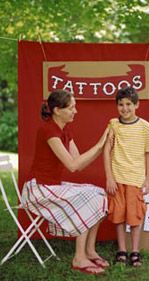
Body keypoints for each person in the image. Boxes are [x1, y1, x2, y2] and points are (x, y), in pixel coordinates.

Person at [21, 89, 109, 275]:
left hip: (51, 186)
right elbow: (72, 165)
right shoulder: (48, 130)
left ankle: (89, 250)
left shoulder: (64, 130)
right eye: (71, 108)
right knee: (87, 197)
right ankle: (79, 258)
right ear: (57, 110)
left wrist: (101, 148)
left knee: (99, 193)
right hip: (38, 189)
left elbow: (79, 163)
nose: (75, 111)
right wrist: (100, 144)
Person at [104, 87, 149, 267]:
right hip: (117, 178)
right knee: (118, 215)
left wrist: (148, 180)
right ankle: (122, 250)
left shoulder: (145, 127)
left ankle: (135, 251)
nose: (124, 108)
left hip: (135, 179)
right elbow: (106, 151)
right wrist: (109, 177)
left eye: (128, 104)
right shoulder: (113, 125)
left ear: (137, 105)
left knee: (135, 216)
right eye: (120, 105)